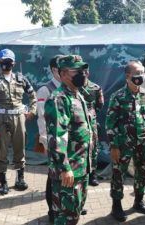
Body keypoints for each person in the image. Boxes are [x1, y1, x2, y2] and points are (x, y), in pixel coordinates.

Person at [106, 60, 145, 222]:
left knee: (142, 172)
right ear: (127, 76)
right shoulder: (118, 96)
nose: (140, 76)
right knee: (118, 174)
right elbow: (110, 123)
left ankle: (138, 200)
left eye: (142, 73)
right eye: (137, 73)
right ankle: (116, 205)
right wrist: (114, 145)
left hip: (144, 143)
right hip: (123, 144)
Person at [44, 55, 93, 225]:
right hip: (69, 171)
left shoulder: (78, 95)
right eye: (78, 71)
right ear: (64, 74)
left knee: (75, 213)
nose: (83, 74)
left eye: (84, 70)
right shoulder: (59, 98)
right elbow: (56, 136)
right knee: (65, 217)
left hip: (81, 168)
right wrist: (65, 168)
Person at [0, 48, 37, 195]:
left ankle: (20, 179)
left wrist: (32, 110)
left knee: (20, 148)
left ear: (13, 62)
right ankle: (3, 183)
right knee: (1, 150)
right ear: (0, 62)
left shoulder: (21, 79)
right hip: (0, 119)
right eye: (3, 60)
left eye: (9, 61)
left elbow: (33, 95)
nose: (6, 63)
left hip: (19, 118)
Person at [35, 55, 63, 222]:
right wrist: (45, 140)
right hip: (53, 141)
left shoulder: (70, 88)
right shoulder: (46, 90)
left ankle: (68, 206)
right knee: (53, 177)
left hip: (69, 142)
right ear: (54, 70)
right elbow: (41, 117)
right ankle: (52, 211)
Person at [80, 67, 104, 186]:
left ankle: (92, 174)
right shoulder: (73, 88)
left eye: (85, 72)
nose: (83, 74)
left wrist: (91, 114)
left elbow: (100, 105)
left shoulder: (95, 88)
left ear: (88, 73)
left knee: (93, 148)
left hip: (91, 123)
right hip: (77, 122)